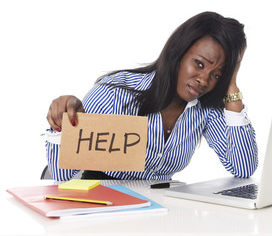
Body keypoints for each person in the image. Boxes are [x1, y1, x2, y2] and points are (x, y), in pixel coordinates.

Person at [45, 11, 258, 181]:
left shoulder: (204, 109)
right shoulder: (115, 93)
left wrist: (232, 85)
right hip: (106, 206)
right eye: (199, 64)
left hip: (161, 209)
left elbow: (243, 167)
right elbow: (62, 176)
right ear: (178, 52)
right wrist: (64, 126)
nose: (204, 80)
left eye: (217, 75)